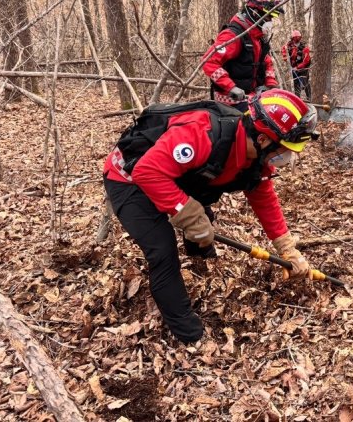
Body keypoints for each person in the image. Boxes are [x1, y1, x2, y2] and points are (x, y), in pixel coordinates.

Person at [103, 88, 318, 344]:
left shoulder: (257, 158)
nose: (286, 157)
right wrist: (188, 215)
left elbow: (263, 198)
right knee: (162, 249)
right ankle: (189, 335)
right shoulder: (201, 134)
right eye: (284, 149)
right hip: (129, 179)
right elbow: (147, 172)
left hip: (174, 175)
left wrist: (287, 248)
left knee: (203, 218)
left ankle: (200, 261)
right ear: (262, 139)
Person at [203, 0, 284, 111]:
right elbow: (209, 62)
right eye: (268, 17)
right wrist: (230, 87)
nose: (270, 22)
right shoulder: (233, 35)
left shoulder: (257, 37)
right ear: (255, 13)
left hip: (252, 97)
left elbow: (266, 62)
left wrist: (271, 84)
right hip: (230, 101)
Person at [281, 30, 311, 100]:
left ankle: (309, 98)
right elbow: (283, 49)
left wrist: (298, 67)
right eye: (295, 38)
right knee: (296, 84)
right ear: (292, 38)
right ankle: (297, 99)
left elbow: (306, 61)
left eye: (298, 37)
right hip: (294, 68)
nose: (297, 39)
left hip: (303, 68)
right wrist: (285, 56)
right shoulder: (289, 45)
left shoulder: (304, 48)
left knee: (305, 82)